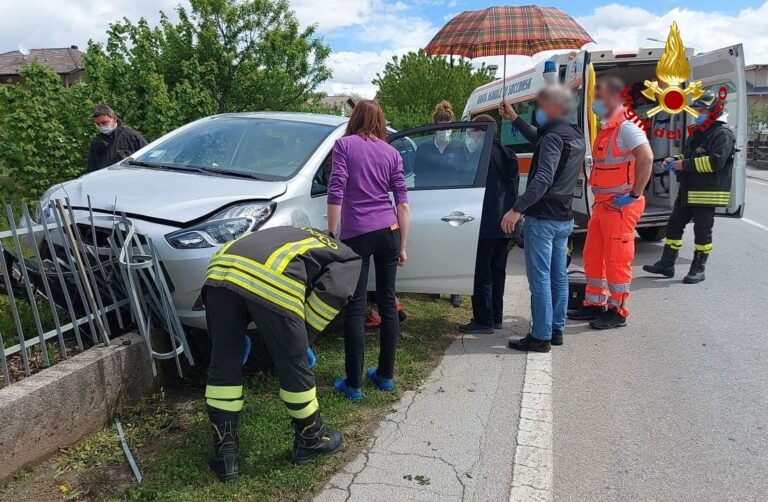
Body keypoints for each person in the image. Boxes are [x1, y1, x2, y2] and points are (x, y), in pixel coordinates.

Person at [202, 226, 361, 481]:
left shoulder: (294, 233)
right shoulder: (346, 255)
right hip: (272, 275)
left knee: (224, 361)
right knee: (293, 363)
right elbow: (335, 292)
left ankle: (225, 455)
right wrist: (304, 337)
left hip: (219, 270)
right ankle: (311, 437)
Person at [327, 100, 410, 401]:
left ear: (355, 119)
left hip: (357, 234)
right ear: (380, 121)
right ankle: (385, 376)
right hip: (389, 231)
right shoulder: (392, 152)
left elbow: (336, 190)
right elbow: (402, 202)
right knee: (388, 304)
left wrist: (332, 233)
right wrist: (402, 245)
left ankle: (354, 384)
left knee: (355, 306)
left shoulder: (344, 146)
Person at [498, 85, 586, 352]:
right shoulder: (574, 134)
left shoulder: (552, 138)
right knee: (558, 276)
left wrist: (517, 208)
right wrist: (514, 118)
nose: (539, 111)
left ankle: (540, 336)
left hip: (543, 218)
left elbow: (543, 179)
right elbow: (540, 137)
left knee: (540, 280)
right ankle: (556, 329)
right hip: (564, 218)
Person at [567, 76, 654, 329]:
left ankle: (618, 310)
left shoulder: (626, 127)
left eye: (599, 97)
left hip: (621, 206)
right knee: (593, 255)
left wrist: (635, 194)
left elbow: (646, 157)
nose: (595, 102)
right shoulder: (607, 128)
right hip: (603, 205)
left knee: (617, 259)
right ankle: (594, 303)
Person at [643, 90, 735, 283]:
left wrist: (683, 165)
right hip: (688, 189)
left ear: (714, 111)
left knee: (702, 231)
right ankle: (666, 264)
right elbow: (689, 156)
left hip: (707, 192)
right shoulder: (699, 133)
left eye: (702, 110)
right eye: (697, 110)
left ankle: (698, 268)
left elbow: (715, 162)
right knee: (674, 225)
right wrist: (674, 159)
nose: (698, 114)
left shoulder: (723, 134)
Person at [458, 114, 519, 334]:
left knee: (481, 274)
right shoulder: (509, 155)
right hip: (504, 224)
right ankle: (496, 316)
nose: (469, 137)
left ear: (481, 132)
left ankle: (483, 319)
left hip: (483, 223)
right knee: (497, 273)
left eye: (472, 132)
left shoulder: (482, 157)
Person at [419, 101, 465, 308]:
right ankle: (434, 284)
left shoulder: (460, 147)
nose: (444, 130)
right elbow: (419, 176)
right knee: (433, 244)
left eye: (448, 126)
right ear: (434, 126)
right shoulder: (424, 148)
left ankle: (456, 290)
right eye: (441, 125)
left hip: (455, 203)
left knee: (455, 245)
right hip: (432, 201)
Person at [86, 104, 147, 172]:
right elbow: (91, 169)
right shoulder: (96, 142)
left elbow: (148, 160)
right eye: (98, 124)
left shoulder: (132, 137)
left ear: (114, 119)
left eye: (104, 123)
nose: (101, 126)